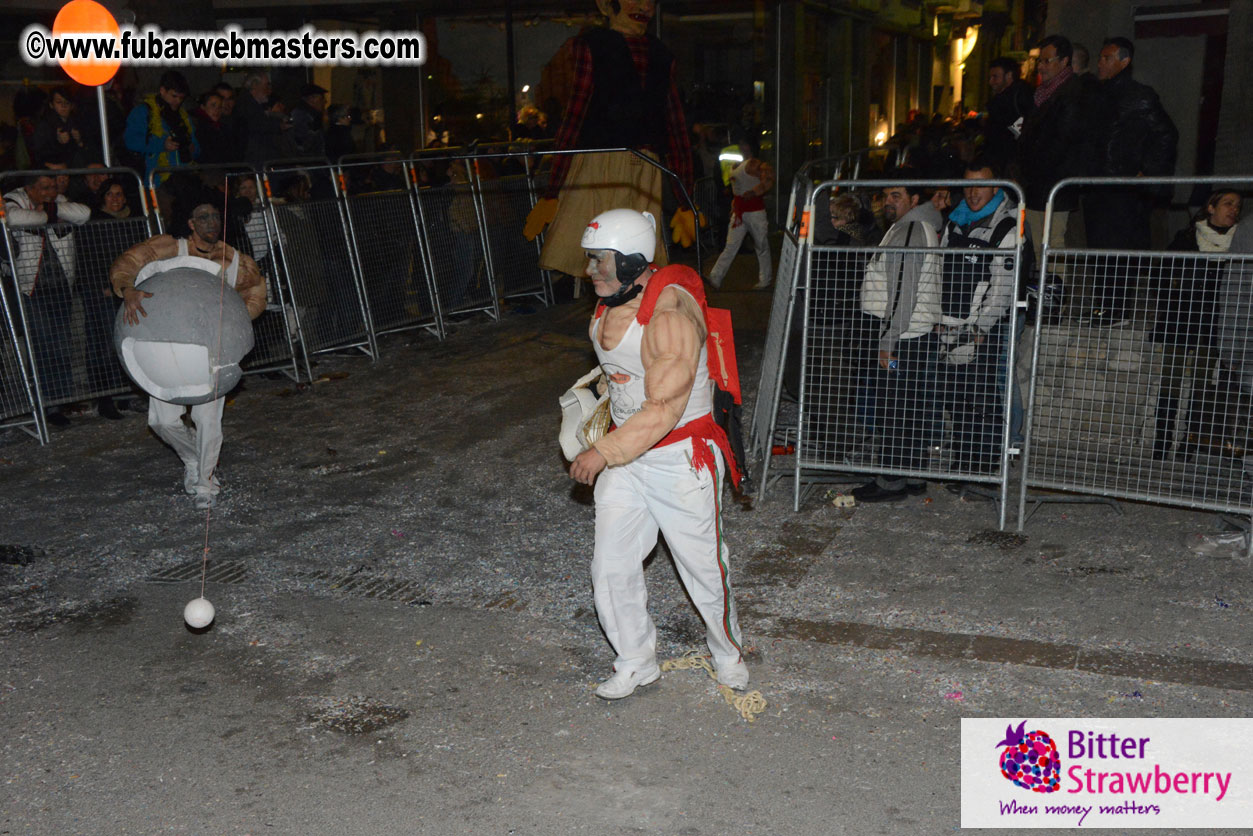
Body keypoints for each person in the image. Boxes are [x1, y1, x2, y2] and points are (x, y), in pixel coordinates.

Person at [569, 208, 747, 700]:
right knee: (611, 564)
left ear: (631, 262)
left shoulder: (669, 315)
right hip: (630, 456)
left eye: (599, 261)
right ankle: (636, 659)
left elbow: (665, 407)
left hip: (678, 459)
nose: (590, 272)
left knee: (703, 566)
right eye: (590, 260)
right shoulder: (613, 299)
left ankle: (728, 652)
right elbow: (622, 372)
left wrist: (604, 450)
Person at [109, 199, 266, 509]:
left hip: (211, 353)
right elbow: (126, 264)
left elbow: (257, 293)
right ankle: (193, 460)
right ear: (191, 224)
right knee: (162, 421)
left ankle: (207, 483)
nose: (210, 222)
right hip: (167, 351)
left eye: (215, 217)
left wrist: (235, 323)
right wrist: (128, 290)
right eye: (202, 217)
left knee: (207, 419)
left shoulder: (235, 261)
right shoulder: (170, 249)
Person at [524, 0, 698, 279]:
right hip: (600, 163)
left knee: (633, 253)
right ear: (608, 5)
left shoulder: (662, 55)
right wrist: (552, 191)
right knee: (599, 249)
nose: (645, 6)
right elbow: (575, 113)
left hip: (642, 168)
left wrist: (684, 200)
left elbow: (676, 126)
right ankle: (609, 313)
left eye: (650, 1)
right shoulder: (592, 46)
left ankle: (626, 313)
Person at [850, 177, 943, 502]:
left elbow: (903, 291)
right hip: (914, 333)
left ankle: (891, 481)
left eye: (896, 195)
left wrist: (887, 342)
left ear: (914, 198)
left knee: (893, 410)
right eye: (885, 194)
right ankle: (913, 475)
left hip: (902, 335)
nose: (888, 201)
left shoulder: (909, 231)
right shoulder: (917, 226)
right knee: (912, 408)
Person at [1081, 37, 1178, 326]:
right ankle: (1103, 308)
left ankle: (1117, 310)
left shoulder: (1139, 95)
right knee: (1099, 247)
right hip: (1099, 183)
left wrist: (1146, 171)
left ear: (1124, 61)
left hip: (1123, 187)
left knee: (1118, 248)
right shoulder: (1099, 94)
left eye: (1107, 58)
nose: (1100, 62)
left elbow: (1166, 134)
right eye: (1100, 57)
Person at [936, 159, 1021, 478]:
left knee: (982, 402)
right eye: (968, 185)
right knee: (955, 400)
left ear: (997, 187)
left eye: (981, 185)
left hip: (981, 332)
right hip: (949, 325)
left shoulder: (1006, 225)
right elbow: (939, 269)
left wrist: (979, 328)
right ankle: (962, 463)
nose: (973, 192)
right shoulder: (955, 221)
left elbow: (1002, 288)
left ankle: (984, 470)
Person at [1150, 189, 1242, 461]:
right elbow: (1162, 277)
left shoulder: (1241, 243)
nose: (1233, 210)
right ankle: (1161, 441)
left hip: (1213, 326)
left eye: (1237, 206)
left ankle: (1189, 442)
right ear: (1211, 208)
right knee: (1170, 384)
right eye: (1227, 203)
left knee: (1202, 387)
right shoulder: (1187, 238)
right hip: (1180, 322)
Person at [3, 172, 91, 427]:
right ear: (29, 188)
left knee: (61, 344)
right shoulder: (15, 199)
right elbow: (13, 217)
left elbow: (84, 214)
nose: (51, 191)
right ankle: (46, 403)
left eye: (52, 186)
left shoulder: (58, 200)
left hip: (61, 285)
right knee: (42, 345)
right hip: (32, 288)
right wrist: (52, 215)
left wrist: (51, 208)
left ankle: (60, 399)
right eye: (44, 188)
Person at [1018, 34, 1087, 271]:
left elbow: (1062, 142)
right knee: (1039, 244)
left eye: (1047, 61)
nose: (1041, 67)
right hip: (1039, 183)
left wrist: (1033, 166)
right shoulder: (1044, 93)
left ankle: (1052, 301)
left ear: (1064, 61)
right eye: (1040, 61)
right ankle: (1043, 298)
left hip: (1053, 183)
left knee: (1051, 244)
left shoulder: (1070, 94)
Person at [76, 178, 137, 420]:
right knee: (102, 344)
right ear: (103, 197)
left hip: (128, 290)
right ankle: (105, 397)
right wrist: (102, 285)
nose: (115, 199)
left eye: (119, 194)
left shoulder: (133, 219)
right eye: (110, 194)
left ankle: (123, 391)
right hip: (103, 291)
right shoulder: (94, 222)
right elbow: (88, 258)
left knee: (126, 342)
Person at [706, 135, 774, 290]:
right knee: (731, 246)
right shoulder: (739, 164)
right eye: (741, 143)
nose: (742, 147)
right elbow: (737, 190)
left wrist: (755, 191)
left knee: (761, 246)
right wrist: (734, 205)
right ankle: (715, 277)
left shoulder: (754, 164)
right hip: (740, 213)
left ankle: (765, 280)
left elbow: (769, 177)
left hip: (754, 212)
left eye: (745, 144)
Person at [123, 71, 199, 183]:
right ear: (162, 91)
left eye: (181, 98)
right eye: (174, 96)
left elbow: (195, 144)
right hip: (156, 181)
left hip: (184, 177)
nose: (178, 101)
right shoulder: (143, 112)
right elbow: (131, 141)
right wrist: (162, 144)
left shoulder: (183, 116)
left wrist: (193, 149)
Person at [984, 57, 1034, 174]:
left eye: (995, 77)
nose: (991, 82)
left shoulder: (1018, 97)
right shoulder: (1021, 94)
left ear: (1009, 76)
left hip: (1010, 162)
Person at [30, 88, 86, 168]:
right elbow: (38, 153)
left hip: (73, 171)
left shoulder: (78, 123)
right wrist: (57, 142)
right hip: (51, 172)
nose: (64, 106)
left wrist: (79, 141)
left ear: (72, 106)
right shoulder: (44, 126)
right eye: (59, 102)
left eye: (67, 102)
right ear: (51, 105)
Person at [191, 91, 232, 165]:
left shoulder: (222, 127)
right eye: (213, 106)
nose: (217, 110)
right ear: (203, 107)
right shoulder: (197, 126)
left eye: (219, 107)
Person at [289, 83, 327, 158]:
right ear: (311, 99)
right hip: (308, 161)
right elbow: (303, 144)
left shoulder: (312, 115)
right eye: (322, 98)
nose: (325, 101)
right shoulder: (301, 116)